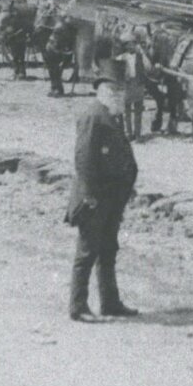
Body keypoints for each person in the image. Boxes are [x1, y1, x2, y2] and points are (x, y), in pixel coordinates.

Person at [66, 81, 140, 322]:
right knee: (87, 251)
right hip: (95, 197)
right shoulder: (93, 116)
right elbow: (84, 158)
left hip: (112, 196)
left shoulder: (110, 115)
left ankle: (110, 302)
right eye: (115, 91)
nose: (121, 95)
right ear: (104, 92)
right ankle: (78, 307)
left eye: (121, 91)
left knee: (108, 249)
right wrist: (89, 195)